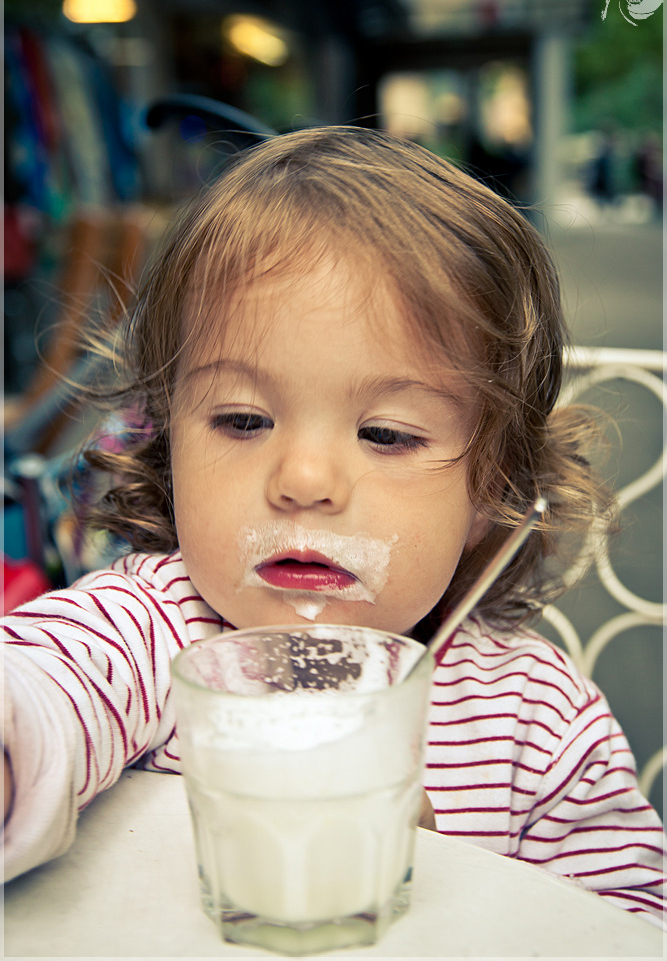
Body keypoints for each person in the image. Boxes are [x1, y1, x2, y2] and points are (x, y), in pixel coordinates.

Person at [2, 126, 664, 925]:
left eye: (385, 433)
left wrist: (455, 891)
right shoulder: (146, 633)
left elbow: (629, 924)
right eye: (242, 421)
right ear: (167, 443)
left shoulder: (537, 721)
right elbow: (35, 695)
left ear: (491, 487)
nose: (303, 482)